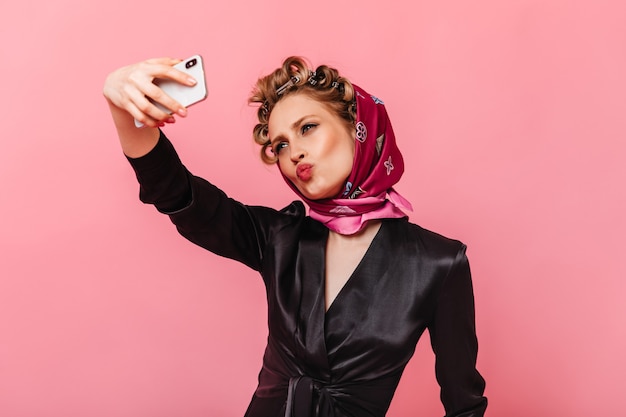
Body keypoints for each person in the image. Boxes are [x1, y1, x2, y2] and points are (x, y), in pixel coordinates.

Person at [103, 56, 487, 417]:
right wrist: (124, 109)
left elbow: (464, 404)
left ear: (359, 128)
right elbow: (178, 194)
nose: (294, 154)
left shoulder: (438, 262)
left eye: (307, 128)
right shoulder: (279, 237)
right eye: (281, 145)